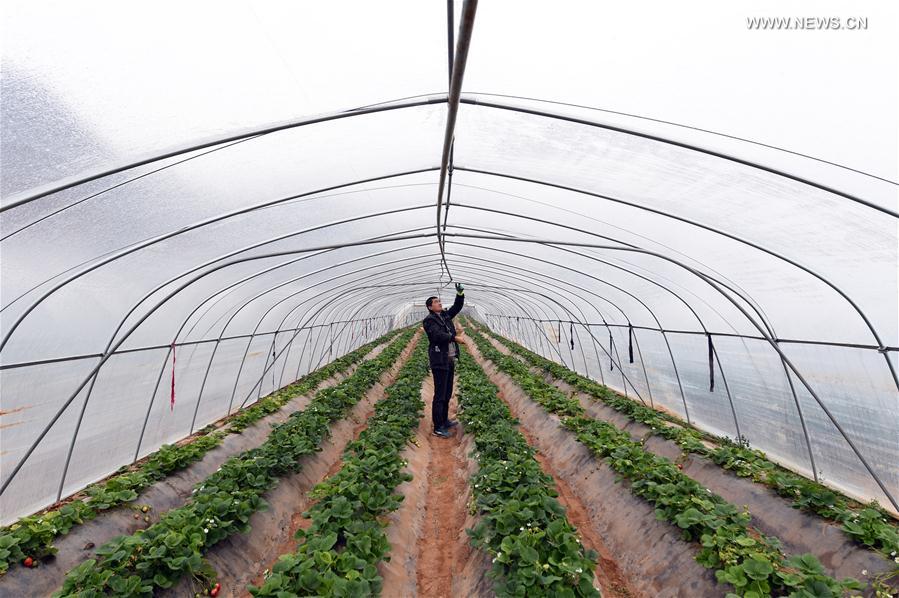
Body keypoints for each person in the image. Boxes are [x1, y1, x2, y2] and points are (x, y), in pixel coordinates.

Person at [422, 282, 465, 438]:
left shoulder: (445, 316)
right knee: (439, 395)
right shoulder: (429, 320)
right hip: (439, 360)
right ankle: (438, 427)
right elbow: (437, 336)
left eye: (439, 301)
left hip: (449, 360)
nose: (439, 303)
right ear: (429, 307)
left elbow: (456, 307)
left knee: (447, 393)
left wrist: (460, 294)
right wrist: (454, 338)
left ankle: (445, 420)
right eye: (436, 302)